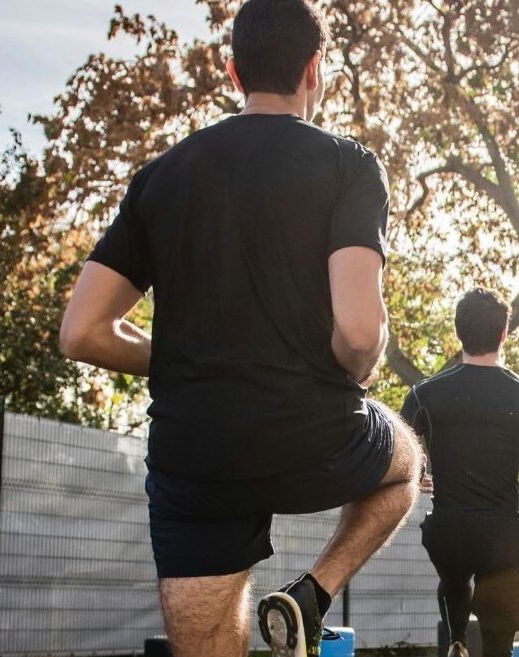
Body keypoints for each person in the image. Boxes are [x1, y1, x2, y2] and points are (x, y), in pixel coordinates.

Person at [59, 1, 421, 655]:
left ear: (233, 72)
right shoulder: (348, 165)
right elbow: (361, 332)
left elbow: (83, 330)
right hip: (314, 434)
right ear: (315, 71)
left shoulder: (160, 178)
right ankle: (313, 593)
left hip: (197, 456)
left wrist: (174, 356)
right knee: (406, 465)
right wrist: (353, 370)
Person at [400, 287, 519, 657]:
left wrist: (416, 478)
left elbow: (398, 459)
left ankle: (456, 636)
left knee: (454, 574)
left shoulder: (423, 395)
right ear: (504, 333)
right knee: (499, 643)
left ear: (458, 332)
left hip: (448, 532)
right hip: (502, 537)